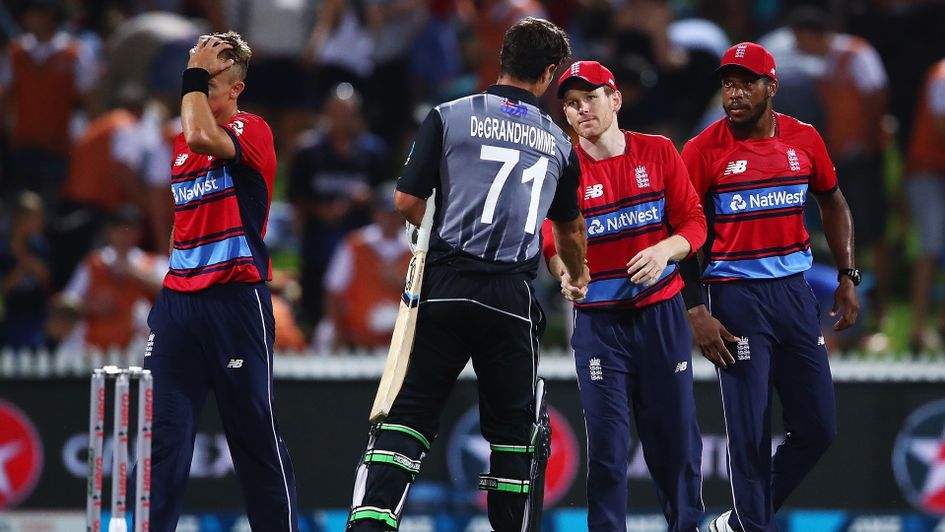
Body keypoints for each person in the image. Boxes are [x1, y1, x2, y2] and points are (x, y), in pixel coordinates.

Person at [345, 17, 588, 532]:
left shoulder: (448, 115)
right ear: (548, 73)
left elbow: (407, 200)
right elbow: (569, 232)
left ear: (501, 58)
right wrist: (578, 273)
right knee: (512, 436)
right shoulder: (561, 145)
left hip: (447, 287)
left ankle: (370, 524)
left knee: (407, 418)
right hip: (509, 298)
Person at [678, 43, 859, 532]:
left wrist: (847, 274)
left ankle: (739, 522)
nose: (734, 94)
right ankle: (752, 527)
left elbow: (833, 201)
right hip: (735, 298)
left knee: (819, 429)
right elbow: (680, 235)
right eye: (728, 84)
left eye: (746, 83)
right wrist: (696, 310)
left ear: (771, 87)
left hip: (795, 295)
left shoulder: (803, 139)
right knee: (748, 434)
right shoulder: (701, 150)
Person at [137, 31, 299, 531]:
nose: (196, 93)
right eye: (195, 84)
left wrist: (190, 74)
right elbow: (182, 222)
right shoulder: (181, 151)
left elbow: (205, 135)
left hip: (235, 301)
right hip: (178, 308)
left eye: (208, 84)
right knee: (162, 441)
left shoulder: (252, 129)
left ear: (234, 89)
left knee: (254, 437)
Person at [543, 60, 707, 532]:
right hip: (599, 326)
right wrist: (564, 274)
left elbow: (694, 222)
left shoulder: (657, 151)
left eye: (590, 98)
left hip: (660, 315)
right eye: (571, 104)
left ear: (615, 99)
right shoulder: (561, 168)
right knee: (609, 451)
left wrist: (665, 250)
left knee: (675, 443)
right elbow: (552, 242)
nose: (581, 110)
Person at [788, 5, 890, 332]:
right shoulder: (827, 64)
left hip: (864, 157)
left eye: (801, 39)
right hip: (841, 159)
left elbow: (877, 96)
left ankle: (881, 309)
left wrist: (869, 143)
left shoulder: (856, 54)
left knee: (872, 233)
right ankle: (852, 305)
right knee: (846, 232)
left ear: (813, 33)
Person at [60, 205, 165, 351]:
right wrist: (90, 305)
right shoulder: (94, 263)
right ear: (109, 231)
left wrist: (134, 274)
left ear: (139, 233)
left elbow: (175, 293)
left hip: (139, 348)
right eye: (119, 229)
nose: (125, 236)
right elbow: (65, 303)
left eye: (130, 230)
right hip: (94, 348)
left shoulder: (152, 263)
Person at [321, 184, 413, 350]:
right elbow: (333, 290)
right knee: (324, 334)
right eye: (387, 213)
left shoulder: (414, 248)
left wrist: (402, 282)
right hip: (358, 336)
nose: (391, 219)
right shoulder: (356, 244)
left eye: (396, 214)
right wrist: (340, 333)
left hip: (402, 338)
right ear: (376, 214)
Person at [905, 58, 945, 352]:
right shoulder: (942, 75)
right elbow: (941, 124)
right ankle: (917, 329)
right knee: (929, 248)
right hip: (928, 173)